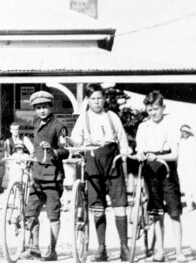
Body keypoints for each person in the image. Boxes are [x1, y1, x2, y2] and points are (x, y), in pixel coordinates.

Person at [67, 84, 131, 261]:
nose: (96, 102)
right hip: (93, 161)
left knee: (120, 204)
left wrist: (124, 155)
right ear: (87, 100)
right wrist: (69, 141)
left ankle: (124, 246)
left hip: (113, 160)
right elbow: (76, 140)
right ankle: (102, 248)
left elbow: (122, 139)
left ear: (104, 99)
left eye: (99, 98)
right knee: (97, 206)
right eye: (93, 99)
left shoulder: (112, 117)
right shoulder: (83, 118)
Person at [135, 91, 186, 263]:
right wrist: (141, 154)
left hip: (167, 170)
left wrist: (158, 157)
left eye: (155, 109)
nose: (152, 113)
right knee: (156, 212)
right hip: (150, 170)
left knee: (174, 211)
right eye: (149, 110)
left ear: (163, 108)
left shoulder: (170, 125)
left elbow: (175, 154)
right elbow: (140, 148)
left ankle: (179, 252)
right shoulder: (143, 127)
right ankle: (160, 251)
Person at [24, 90, 70, 261]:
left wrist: (53, 151)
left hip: (53, 176)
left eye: (44, 107)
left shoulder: (59, 126)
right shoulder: (36, 123)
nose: (41, 110)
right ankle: (34, 248)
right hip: (36, 176)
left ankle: (52, 250)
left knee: (53, 215)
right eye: (38, 107)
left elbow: (66, 151)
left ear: (51, 106)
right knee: (30, 212)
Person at [177, 125, 196, 215]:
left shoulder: (193, 140)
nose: (184, 133)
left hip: (191, 166)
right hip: (182, 166)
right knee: (186, 187)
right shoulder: (180, 141)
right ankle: (189, 206)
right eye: (182, 131)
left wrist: (189, 130)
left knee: (193, 187)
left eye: (186, 131)